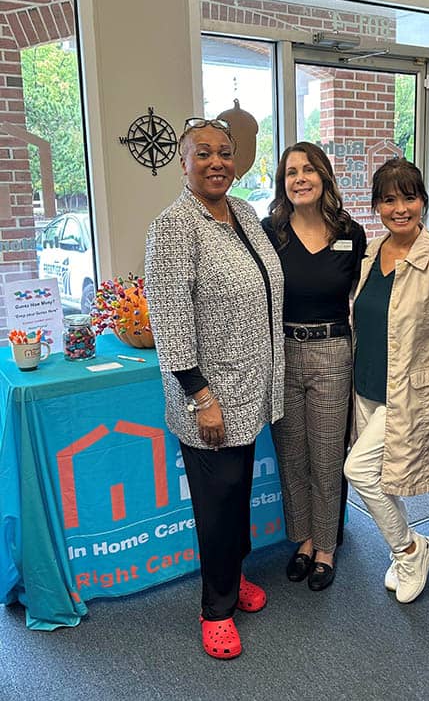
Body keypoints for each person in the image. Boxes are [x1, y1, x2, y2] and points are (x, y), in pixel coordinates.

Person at [145, 117, 284, 660]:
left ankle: (235, 570)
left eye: (224, 152)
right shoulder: (175, 226)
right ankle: (216, 607)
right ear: (184, 163)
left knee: (236, 495)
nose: (216, 161)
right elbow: (171, 321)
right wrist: (201, 396)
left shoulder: (244, 212)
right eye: (203, 153)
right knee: (216, 503)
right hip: (211, 398)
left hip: (252, 390)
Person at [344, 157, 429, 604]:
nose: (399, 208)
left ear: (423, 202)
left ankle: (408, 550)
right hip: (365, 384)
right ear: (376, 207)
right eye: (388, 200)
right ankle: (413, 544)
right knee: (382, 478)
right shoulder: (370, 252)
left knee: (358, 472)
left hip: (407, 392)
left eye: (408, 197)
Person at [262, 141, 366, 591]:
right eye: (290, 172)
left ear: (324, 177)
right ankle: (302, 540)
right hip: (282, 350)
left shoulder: (349, 231)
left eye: (308, 170)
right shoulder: (270, 232)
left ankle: (326, 546)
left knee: (327, 455)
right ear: (283, 183)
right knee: (291, 455)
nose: (299, 178)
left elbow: (365, 297)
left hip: (331, 350)